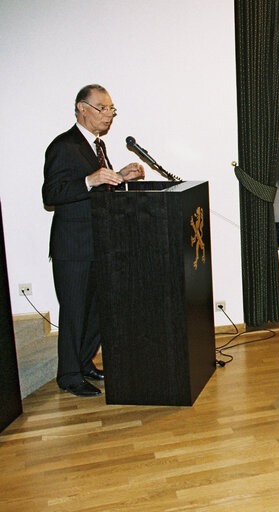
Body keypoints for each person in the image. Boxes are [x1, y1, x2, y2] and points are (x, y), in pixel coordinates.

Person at [42, 84, 145, 397]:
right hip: (73, 248)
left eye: (112, 109)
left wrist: (120, 177)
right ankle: (69, 376)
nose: (108, 115)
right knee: (74, 312)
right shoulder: (64, 145)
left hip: (100, 244)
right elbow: (52, 194)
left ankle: (84, 362)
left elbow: (97, 190)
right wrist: (90, 179)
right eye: (102, 108)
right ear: (81, 108)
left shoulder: (97, 147)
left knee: (98, 310)